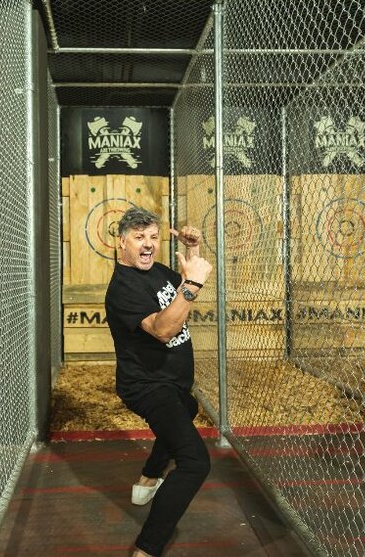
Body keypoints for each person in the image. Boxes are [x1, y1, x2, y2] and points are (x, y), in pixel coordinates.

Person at [104, 206, 213, 557]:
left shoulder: (159, 271)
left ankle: (150, 477)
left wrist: (193, 252)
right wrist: (194, 283)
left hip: (173, 383)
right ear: (121, 243)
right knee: (195, 461)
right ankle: (146, 549)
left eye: (153, 236)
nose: (147, 244)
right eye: (138, 237)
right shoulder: (122, 288)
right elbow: (165, 330)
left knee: (188, 407)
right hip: (148, 385)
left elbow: (180, 296)